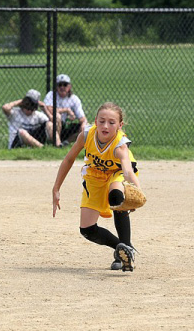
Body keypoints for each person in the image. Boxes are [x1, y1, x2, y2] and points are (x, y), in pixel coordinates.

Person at [52, 102, 140, 271]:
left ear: (120, 125)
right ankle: (122, 250)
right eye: (101, 121)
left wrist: (136, 190)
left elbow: (127, 171)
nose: (105, 126)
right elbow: (69, 159)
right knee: (87, 230)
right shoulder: (86, 135)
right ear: (95, 121)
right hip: (95, 176)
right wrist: (56, 188)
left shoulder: (120, 144)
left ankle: (126, 248)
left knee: (116, 196)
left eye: (111, 122)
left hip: (117, 173)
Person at [43, 74, 87, 146]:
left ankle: (65, 143)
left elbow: (82, 118)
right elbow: (49, 109)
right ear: (56, 87)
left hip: (66, 126)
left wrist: (83, 124)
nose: (62, 87)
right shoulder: (51, 95)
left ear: (69, 87)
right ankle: (57, 143)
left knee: (86, 127)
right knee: (56, 118)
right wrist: (66, 110)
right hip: (53, 125)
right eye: (60, 85)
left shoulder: (74, 99)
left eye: (65, 85)